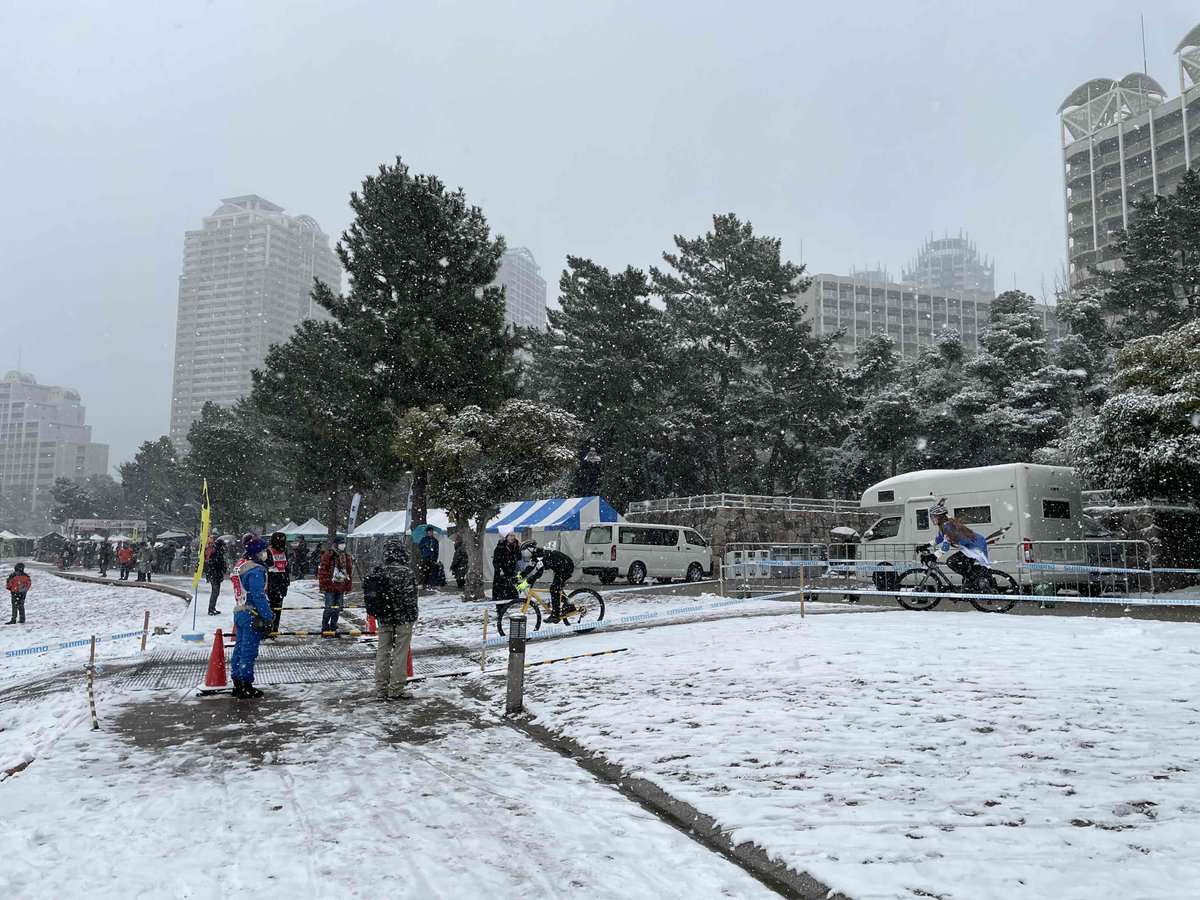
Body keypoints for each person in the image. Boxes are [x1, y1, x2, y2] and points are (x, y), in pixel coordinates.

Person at [366, 539, 419, 701]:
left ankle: (380, 688)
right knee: (400, 653)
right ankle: (396, 688)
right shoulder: (405, 572)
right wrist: (413, 615)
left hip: (384, 618)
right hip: (403, 618)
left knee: (382, 652)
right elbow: (410, 598)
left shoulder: (379, 571)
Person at [229, 534, 274, 699]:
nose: (265, 553)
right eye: (263, 551)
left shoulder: (240, 565)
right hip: (252, 613)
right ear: (257, 552)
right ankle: (246, 684)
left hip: (239, 611)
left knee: (239, 648)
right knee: (249, 650)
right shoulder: (255, 569)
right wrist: (268, 616)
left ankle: (237, 680)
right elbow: (258, 595)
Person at [929, 499, 991, 582]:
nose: (931, 519)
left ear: (939, 516)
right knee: (965, 567)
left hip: (974, 547)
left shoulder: (947, 526)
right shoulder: (945, 524)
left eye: (933, 516)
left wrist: (934, 555)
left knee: (951, 562)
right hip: (975, 544)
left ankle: (973, 578)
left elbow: (945, 547)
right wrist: (926, 546)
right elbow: (939, 538)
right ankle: (973, 579)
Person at [520, 540, 577, 622]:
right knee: (557, 589)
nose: (524, 554)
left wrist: (526, 582)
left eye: (524, 552)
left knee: (554, 589)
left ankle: (555, 615)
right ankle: (570, 606)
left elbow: (539, 573)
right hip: (560, 567)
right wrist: (518, 577)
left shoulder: (540, 556)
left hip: (566, 566)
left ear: (530, 549)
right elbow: (529, 568)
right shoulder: (535, 556)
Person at [317, 535, 353, 636]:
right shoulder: (329, 554)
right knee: (329, 608)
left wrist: (348, 586)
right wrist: (322, 584)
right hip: (330, 586)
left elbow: (349, 572)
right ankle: (325, 627)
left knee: (337, 609)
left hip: (340, 586)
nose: (343, 545)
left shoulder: (346, 556)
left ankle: (333, 626)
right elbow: (323, 570)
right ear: (336, 544)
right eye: (341, 543)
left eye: (344, 543)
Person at [266, 531, 291, 636]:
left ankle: (275, 630)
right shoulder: (268, 551)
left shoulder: (283, 552)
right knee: (269, 609)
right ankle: (267, 630)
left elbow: (286, 568)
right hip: (271, 585)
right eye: (280, 541)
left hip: (281, 585)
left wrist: (286, 583)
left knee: (278, 609)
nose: (282, 543)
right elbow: (266, 568)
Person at [492, 531, 522, 615]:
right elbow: (496, 561)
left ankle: (506, 608)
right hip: (502, 574)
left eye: (514, 535)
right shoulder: (500, 547)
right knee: (500, 593)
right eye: (511, 535)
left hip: (511, 573)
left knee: (510, 592)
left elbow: (519, 558)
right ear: (506, 536)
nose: (513, 537)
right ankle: (500, 610)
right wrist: (500, 570)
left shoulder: (515, 546)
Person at [205, 537, 229, 615]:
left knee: (215, 592)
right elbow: (216, 565)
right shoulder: (217, 554)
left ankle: (212, 608)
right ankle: (211, 609)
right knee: (215, 592)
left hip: (215, 575)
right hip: (215, 576)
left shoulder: (217, 553)